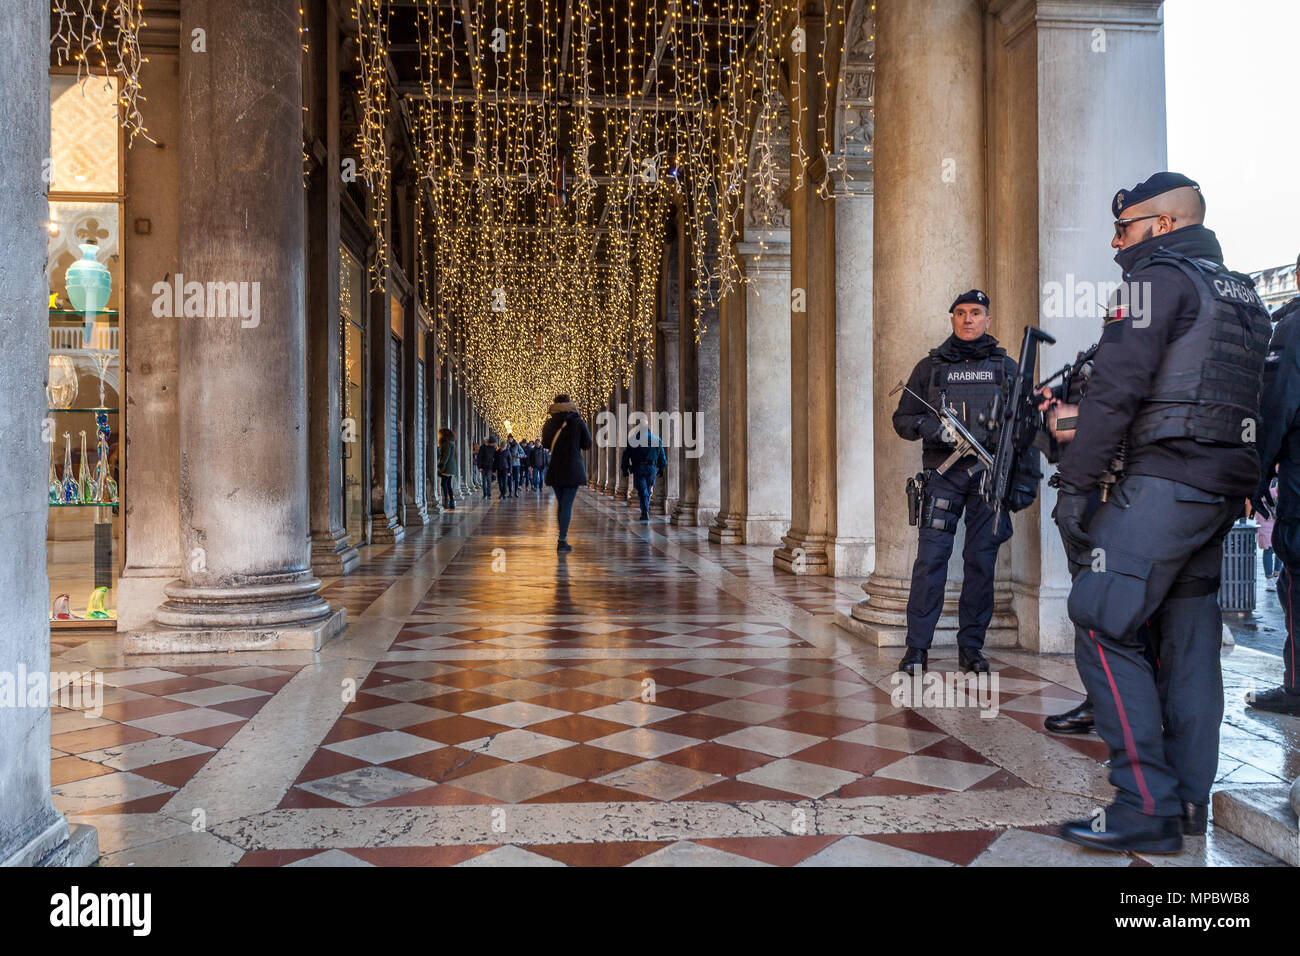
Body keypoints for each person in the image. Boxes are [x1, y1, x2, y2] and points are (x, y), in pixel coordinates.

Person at [1053, 173, 1271, 854]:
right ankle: (1186, 809)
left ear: (1164, 225)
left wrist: (1077, 483)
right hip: (1218, 491)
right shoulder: (1242, 294)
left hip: (1165, 481)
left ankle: (1142, 800)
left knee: (1099, 615)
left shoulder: (1155, 283)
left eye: (1126, 228)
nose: (1117, 242)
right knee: (1188, 645)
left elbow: (1115, 393)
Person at [891, 289, 1041, 676]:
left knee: (980, 563)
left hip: (988, 480)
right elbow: (902, 419)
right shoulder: (931, 367)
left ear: (988, 319)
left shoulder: (1007, 367)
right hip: (943, 477)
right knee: (930, 562)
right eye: (960, 313)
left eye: (976, 313)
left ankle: (971, 647)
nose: (968, 319)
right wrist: (935, 430)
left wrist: (1019, 481)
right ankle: (917, 649)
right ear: (952, 319)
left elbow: (1028, 427)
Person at [1249, 259, 1300, 715]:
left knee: (1296, 586)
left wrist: (1257, 472)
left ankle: (1298, 689)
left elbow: (1276, 409)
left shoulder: (1293, 328)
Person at [541, 394, 592, 551]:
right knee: (567, 504)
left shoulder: (549, 423)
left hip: (556, 467)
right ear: (570, 404)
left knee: (562, 503)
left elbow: (545, 443)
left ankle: (562, 538)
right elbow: (587, 444)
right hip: (573, 468)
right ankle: (562, 540)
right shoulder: (578, 421)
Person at [620, 422, 668, 521]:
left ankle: (645, 512)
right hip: (651, 469)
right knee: (648, 490)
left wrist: (625, 469)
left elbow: (625, 456)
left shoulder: (632, 440)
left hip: (638, 468)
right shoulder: (656, 439)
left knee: (642, 491)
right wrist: (662, 468)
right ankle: (645, 511)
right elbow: (661, 455)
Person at [437, 427, 458, 510]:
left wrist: (440, 465)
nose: (439, 436)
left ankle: (446, 501)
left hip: (447, 466)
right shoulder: (451, 442)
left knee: (444, 484)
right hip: (451, 466)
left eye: (440, 434)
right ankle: (451, 502)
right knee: (448, 484)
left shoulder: (447, 444)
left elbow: (446, 456)